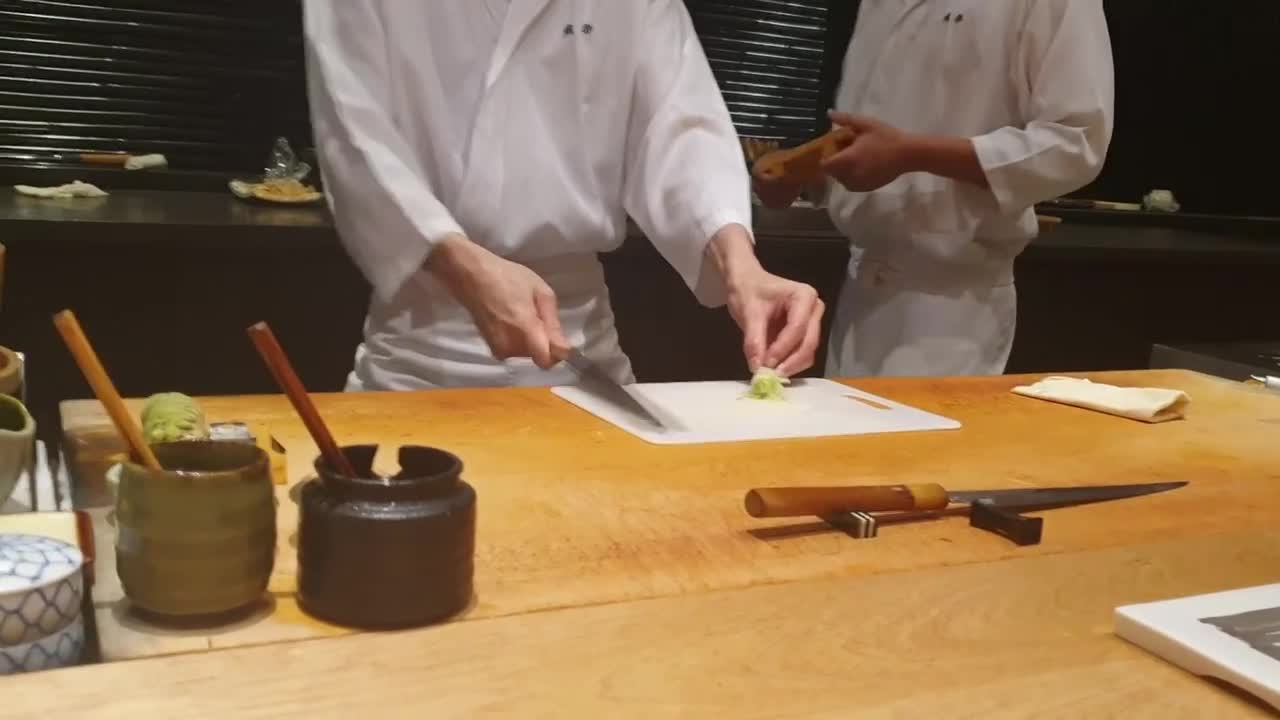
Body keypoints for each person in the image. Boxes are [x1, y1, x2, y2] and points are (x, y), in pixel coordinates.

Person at [301, 1, 825, 392]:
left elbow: (677, 125)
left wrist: (740, 264)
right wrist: (460, 263)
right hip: (420, 361)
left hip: (584, 355)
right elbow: (353, 132)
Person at [755, 0, 1114, 377]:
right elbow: (866, 135)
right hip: (859, 296)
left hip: (952, 305)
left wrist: (911, 154)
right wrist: (806, 177)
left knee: (921, 435)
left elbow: (1076, 143)